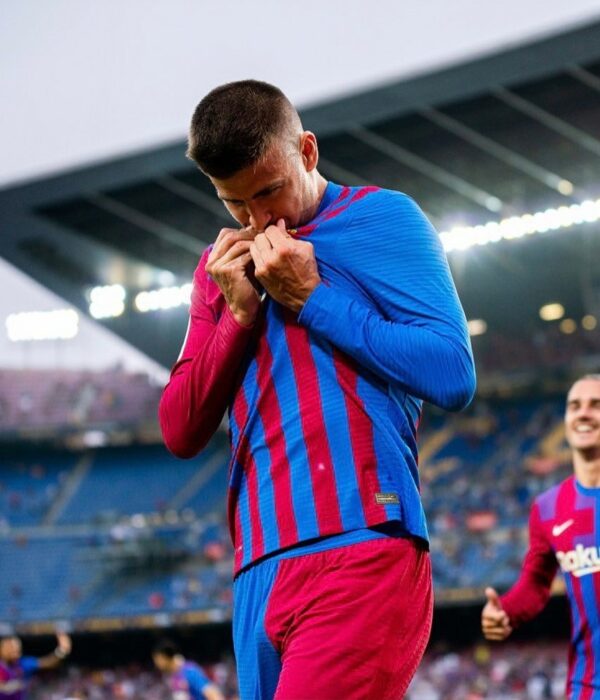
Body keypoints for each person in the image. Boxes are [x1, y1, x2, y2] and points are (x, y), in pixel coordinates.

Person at [159, 79, 476, 700]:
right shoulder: (217, 271)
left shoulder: (382, 219)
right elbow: (179, 428)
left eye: (269, 191)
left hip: (360, 548)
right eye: (234, 202)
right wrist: (240, 318)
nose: (258, 220)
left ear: (308, 151)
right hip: (256, 572)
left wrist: (312, 300)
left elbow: (452, 372)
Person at [482, 374, 600, 699]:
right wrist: (505, 610)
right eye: (575, 406)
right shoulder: (549, 508)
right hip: (588, 687)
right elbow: (534, 586)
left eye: (596, 405)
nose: (584, 413)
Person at [0, 632, 71, 699]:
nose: (16, 650)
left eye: (17, 647)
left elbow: (48, 662)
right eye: (11, 647)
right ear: (2, 649)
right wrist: (8, 687)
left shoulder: (22, 663)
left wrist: (62, 651)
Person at [152, 640, 224, 700]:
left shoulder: (189, 671)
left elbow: (213, 694)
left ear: (164, 657)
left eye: (157, 659)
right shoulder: (172, 675)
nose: (156, 664)